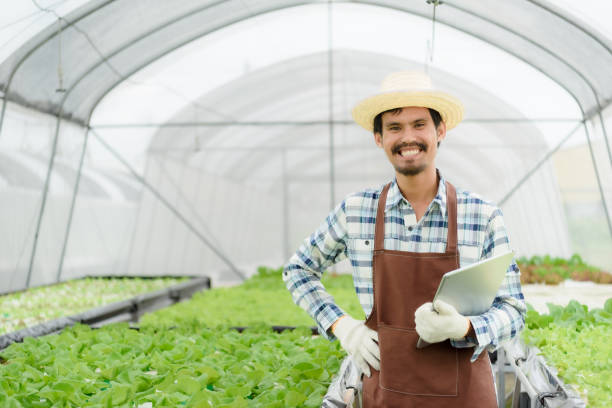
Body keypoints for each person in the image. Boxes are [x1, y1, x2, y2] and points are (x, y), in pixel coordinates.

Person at [283, 71, 526, 407]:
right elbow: (298, 270)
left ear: (440, 131)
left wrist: (465, 326)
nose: (407, 137)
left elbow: (513, 311)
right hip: (388, 393)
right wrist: (342, 326)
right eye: (395, 128)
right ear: (379, 138)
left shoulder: (482, 215)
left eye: (419, 124)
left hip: (466, 395)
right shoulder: (357, 212)